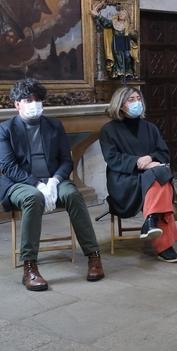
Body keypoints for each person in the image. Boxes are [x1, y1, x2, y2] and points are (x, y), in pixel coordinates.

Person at [0, 78, 104, 291]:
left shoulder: (54, 126)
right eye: (27, 99)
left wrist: (55, 181)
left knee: (73, 195)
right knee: (33, 198)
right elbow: (8, 167)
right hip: (20, 182)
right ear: (16, 104)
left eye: (37, 99)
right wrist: (38, 185)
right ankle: (30, 266)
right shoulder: (6, 129)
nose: (34, 103)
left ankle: (93, 256)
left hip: (54, 178)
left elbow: (67, 160)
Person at [99, 86, 177, 263]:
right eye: (131, 100)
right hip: (124, 180)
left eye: (138, 99)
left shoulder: (150, 128)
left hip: (150, 179)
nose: (137, 103)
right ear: (120, 105)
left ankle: (151, 221)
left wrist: (151, 157)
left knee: (159, 178)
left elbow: (163, 152)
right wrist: (139, 162)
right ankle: (163, 244)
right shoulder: (108, 130)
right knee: (161, 178)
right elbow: (112, 159)